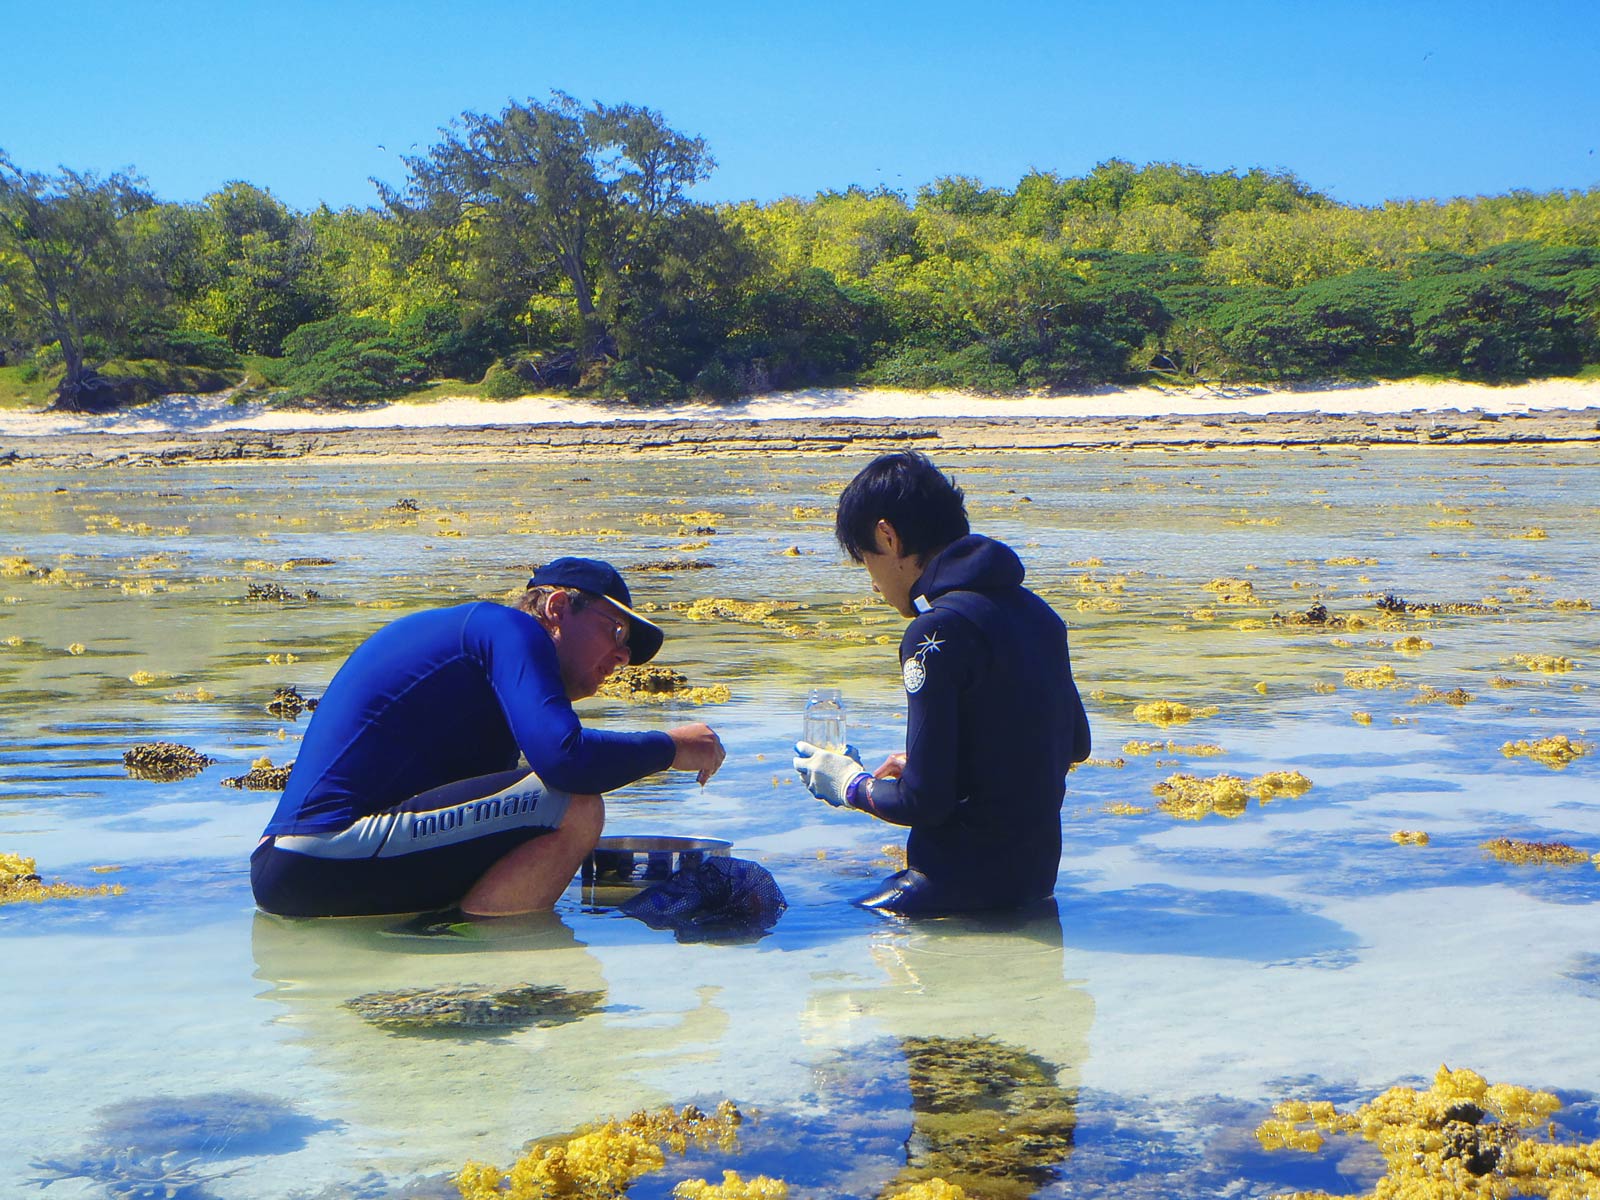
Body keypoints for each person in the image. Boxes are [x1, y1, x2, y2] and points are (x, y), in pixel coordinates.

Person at [252, 557, 726, 919]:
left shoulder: (487, 664)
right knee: (575, 806)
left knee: (533, 802)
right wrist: (671, 747)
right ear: (558, 607)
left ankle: (450, 946)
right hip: (322, 854)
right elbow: (567, 760)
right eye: (616, 630)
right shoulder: (510, 629)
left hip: (305, 868)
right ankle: (501, 969)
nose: (622, 656)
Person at [794, 452, 1090, 914]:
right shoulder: (1040, 615)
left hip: (950, 890)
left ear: (887, 536)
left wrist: (850, 784)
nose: (873, 583)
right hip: (1033, 887)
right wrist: (952, 764)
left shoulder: (935, 630)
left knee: (812, 923)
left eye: (865, 561)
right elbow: (1074, 744)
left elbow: (923, 803)